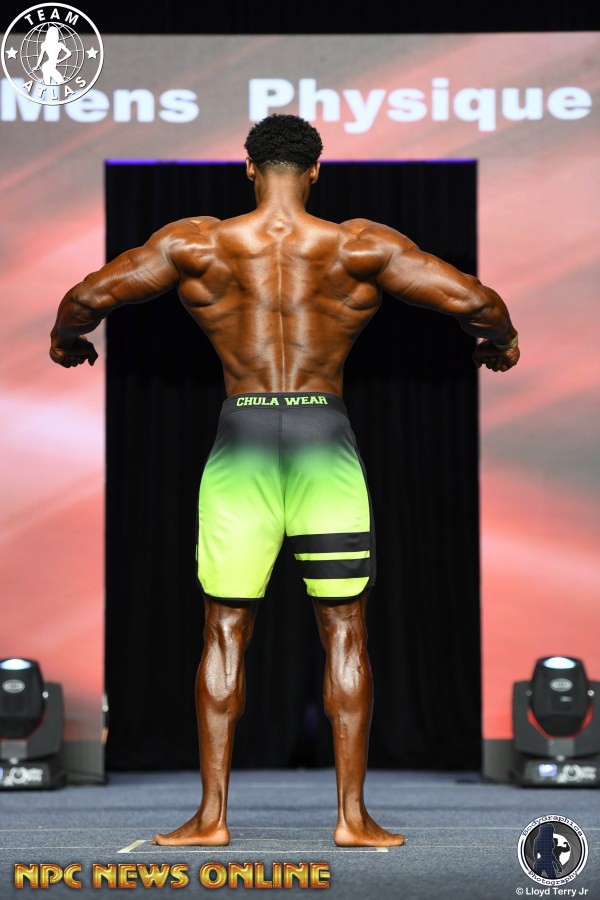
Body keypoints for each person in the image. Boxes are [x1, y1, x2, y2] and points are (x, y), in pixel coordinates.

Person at [50, 114, 519, 848]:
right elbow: (477, 303)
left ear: (248, 168)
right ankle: (352, 819)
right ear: (316, 170)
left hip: (240, 445)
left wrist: (68, 340)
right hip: (321, 444)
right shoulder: (359, 246)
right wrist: (499, 343)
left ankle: (211, 819)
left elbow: (86, 299)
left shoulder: (196, 244)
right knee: (345, 630)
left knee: (224, 629)